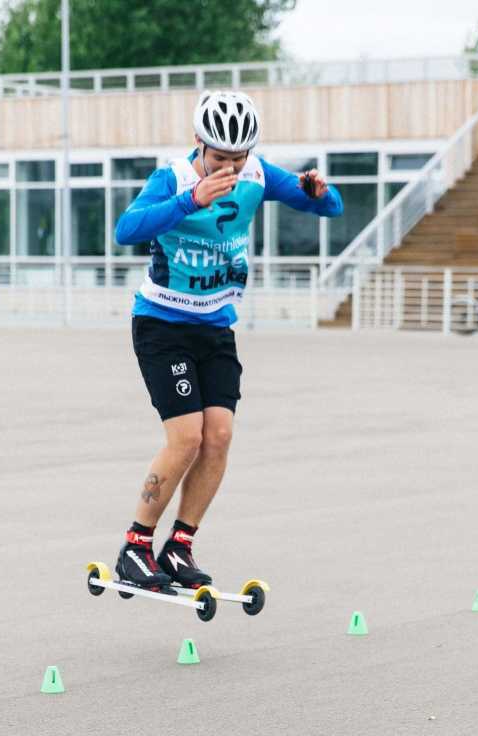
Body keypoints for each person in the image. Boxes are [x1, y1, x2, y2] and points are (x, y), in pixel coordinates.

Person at [110, 91, 343, 592]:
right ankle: (135, 545)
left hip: (215, 326)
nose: (230, 169)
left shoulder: (258, 175)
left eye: (238, 159)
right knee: (187, 435)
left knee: (218, 435)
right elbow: (126, 230)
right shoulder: (172, 178)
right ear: (199, 143)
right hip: (161, 324)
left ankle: (180, 545)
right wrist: (192, 199)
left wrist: (319, 191)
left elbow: (330, 207)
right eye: (220, 159)